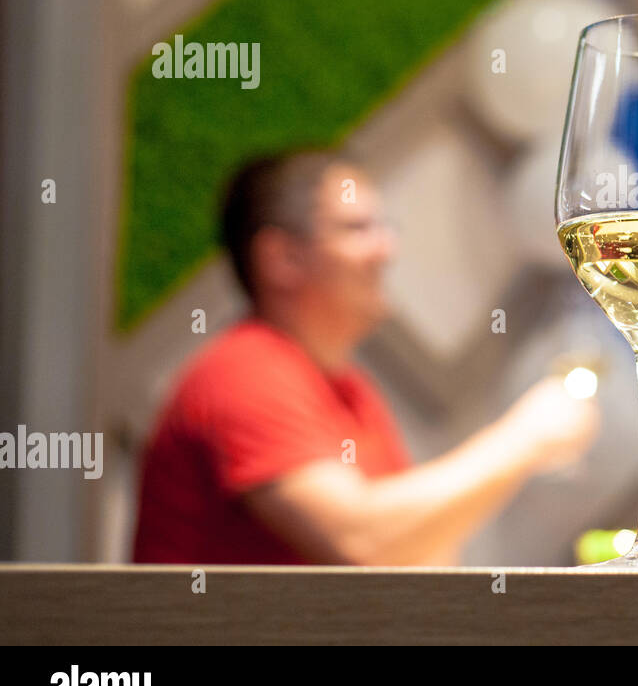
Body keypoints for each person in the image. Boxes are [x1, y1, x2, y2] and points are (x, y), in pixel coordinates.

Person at [132, 148, 599, 566]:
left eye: (383, 227)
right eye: (357, 228)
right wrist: (526, 438)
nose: (386, 249)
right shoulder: (243, 371)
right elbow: (363, 542)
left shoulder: (349, 390)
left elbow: (422, 556)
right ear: (281, 260)